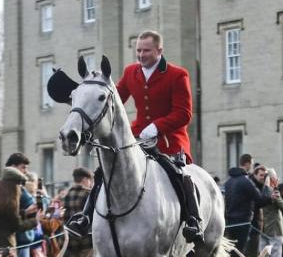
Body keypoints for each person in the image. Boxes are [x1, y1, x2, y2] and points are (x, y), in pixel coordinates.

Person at [66, 30, 203, 243]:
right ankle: (85, 216)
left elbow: (184, 113)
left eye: (146, 50)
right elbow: (114, 100)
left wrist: (157, 127)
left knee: (179, 173)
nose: (141, 55)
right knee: (105, 170)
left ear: (159, 50)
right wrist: (87, 100)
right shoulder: (131, 72)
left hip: (169, 140)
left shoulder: (178, 75)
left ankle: (194, 220)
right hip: (137, 138)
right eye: (138, 50)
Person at [63, 167, 93, 257]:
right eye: (90, 180)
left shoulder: (66, 194)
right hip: (86, 241)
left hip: (70, 241)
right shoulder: (89, 194)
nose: (90, 183)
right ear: (85, 179)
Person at [259, 169, 283, 257]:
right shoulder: (273, 191)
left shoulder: (260, 190)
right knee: (276, 255)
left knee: (263, 254)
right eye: (275, 178)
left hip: (262, 227)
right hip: (275, 228)